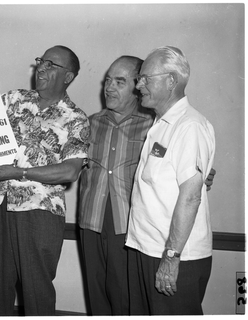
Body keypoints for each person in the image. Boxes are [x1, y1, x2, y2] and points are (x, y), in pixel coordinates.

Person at [0, 45, 90, 316]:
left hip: (40, 214)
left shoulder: (75, 118)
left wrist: (18, 173)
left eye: (51, 64)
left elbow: (70, 171)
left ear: (68, 77)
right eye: (41, 60)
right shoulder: (13, 99)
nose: (41, 67)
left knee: (36, 292)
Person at [125, 46, 216, 315]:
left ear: (171, 81)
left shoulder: (189, 126)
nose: (138, 85)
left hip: (175, 257)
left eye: (145, 79)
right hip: (146, 248)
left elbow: (191, 196)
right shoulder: (160, 125)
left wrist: (171, 257)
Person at [78, 55, 154, 315]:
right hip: (91, 221)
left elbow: (176, 166)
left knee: (127, 300)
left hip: (128, 226)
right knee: (97, 298)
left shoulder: (154, 127)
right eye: (107, 80)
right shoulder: (89, 123)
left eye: (119, 82)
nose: (109, 87)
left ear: (138, 86)